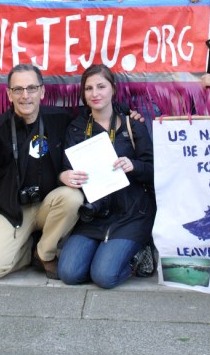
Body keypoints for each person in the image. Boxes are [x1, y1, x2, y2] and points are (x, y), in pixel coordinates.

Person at [0, 64, 83, 280]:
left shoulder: (60, 119)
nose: (25, 96)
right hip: (13, 210)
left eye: (31, 88)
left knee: (73, 197)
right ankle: (28, 251)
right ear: (9, 94)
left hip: (50, 204)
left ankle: (45, 252)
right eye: (18, 89)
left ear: (42, 91)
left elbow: (96, 117)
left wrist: (127, 115)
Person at [57, 65, 155, 288]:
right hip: (95, 214)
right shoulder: (76, 128)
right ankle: (105, 255)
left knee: (104, 276)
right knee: (69, 274)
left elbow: (154, 171)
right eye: (89, 88)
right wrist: (64, 176)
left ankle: (137, 255)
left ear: (113, 89)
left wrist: (134, 166)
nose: (95, 93)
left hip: (131, 213)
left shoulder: (132, 124)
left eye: (101, 87)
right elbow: (64, 168)